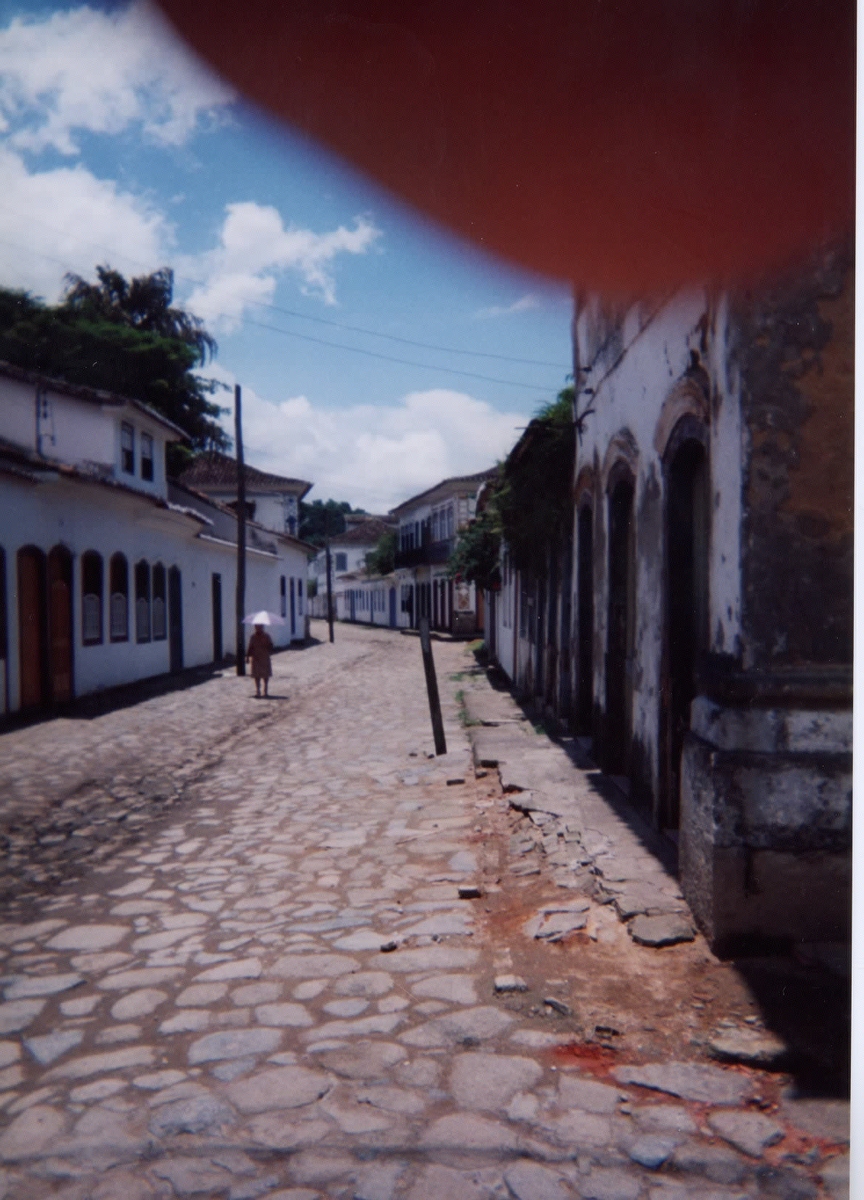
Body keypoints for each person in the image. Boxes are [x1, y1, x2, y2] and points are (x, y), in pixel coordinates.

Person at [246, 623, 274, 698]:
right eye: (257, 627)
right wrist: (248, 657)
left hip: (264, 657)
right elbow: (250, 647)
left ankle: (265, 691)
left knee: (266, 674)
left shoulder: (266, 636)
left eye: (260, 627)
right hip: (256, 658)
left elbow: (271, 646)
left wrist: (267, 644)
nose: (258, 628)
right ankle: (257, 691)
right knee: (256, 675)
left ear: (262, 627)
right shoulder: (253, 637)